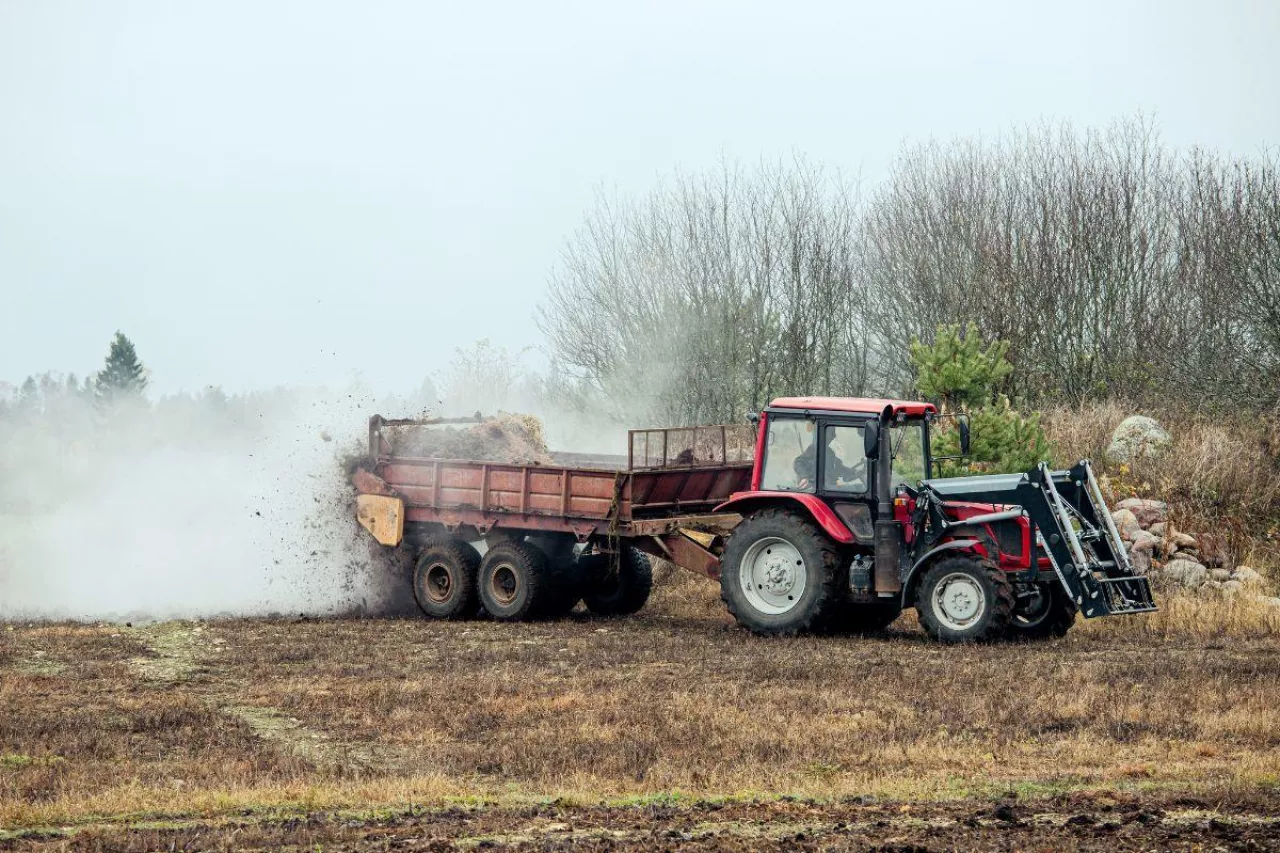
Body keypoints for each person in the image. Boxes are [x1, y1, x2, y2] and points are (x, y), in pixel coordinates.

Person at [794, 427, 865, 491]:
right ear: (823, 434)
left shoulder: (829, 452)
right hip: (822, 488)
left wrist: (854, 472)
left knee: (857, 488)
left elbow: (839, 468)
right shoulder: (814, 448)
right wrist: (804, 477)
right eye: (830, 434)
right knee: (857, 489)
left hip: (829, 487)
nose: (832, 437)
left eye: (832, 435)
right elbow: (798, 462)